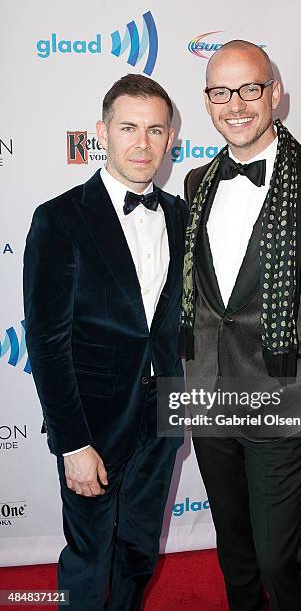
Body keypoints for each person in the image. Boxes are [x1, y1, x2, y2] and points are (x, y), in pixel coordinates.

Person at [180, 40, 301, 610]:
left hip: (284, 400)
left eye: (249, 88)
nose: (235, 104)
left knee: (276, 557)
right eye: (221, 92)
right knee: (235, 550)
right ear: (208, 102)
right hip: (209, 397)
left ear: (274, 94)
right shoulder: (196, 184)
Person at [23, 74, 187, 610]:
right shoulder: (59, 219)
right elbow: (46, 344)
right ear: (102, 132)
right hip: (91, 427)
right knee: (89, 559)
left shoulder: (182, 217)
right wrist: (71, 444)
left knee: (138, 553)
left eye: (155, 130)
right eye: (128, 128)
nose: (142, 143)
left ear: (170, 138)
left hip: (161, 421)